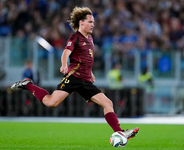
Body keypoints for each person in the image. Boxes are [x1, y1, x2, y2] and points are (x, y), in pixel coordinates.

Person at [11, 7, 139, 140]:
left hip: (85, 80)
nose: (93, 24)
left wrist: (91, 73)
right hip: (73, 77)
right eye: (90, 22)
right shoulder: (75, 37)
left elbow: (86, 59)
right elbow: (66, 52)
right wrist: (64, 64)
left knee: (108, 103)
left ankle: (120, 132)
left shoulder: (90, 39)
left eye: (93, 22)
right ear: (81, 23)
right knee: (51, 102)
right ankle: (28, 85)